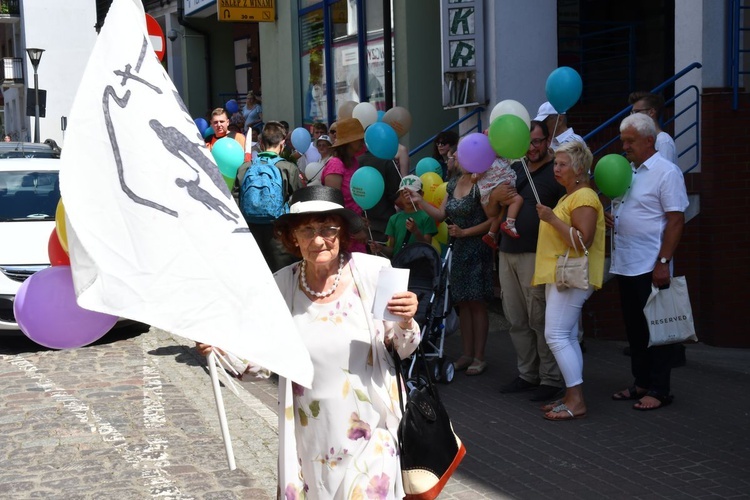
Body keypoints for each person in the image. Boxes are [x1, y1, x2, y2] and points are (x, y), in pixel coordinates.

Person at [196, 185, 420, 498]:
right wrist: (219, 349)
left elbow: (403, 346)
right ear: (293, 237)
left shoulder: (374, 272)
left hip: (373, 435)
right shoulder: (281, 285)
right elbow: (262, 362)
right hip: (310, 439)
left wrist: (407, 320)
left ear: (341, 231)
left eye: (328, 228)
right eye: (307, 230)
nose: (318, 240)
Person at [608, 112, 688, 411]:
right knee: (635, 329)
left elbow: (676, 220)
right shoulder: (629, 171)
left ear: (650, 141)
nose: (624, 146)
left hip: (651, 264)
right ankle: (641, 382)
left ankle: (659, 388)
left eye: (630, 141)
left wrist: (663, 261)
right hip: (626, 262)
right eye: (622, 140)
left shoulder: (666, 172)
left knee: (657, 330)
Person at [488, 120, 567, 402]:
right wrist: (494, 198)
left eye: (537, 142)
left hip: (538, 254)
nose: (532, 148)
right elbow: (491, 209)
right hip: (507, 251)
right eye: (528, 143)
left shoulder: (557, 172)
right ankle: (527, 374)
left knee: (539, 317)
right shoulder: (515, 169)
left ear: (547, 141)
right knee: (516, 318)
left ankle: (551, 378)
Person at [531, 141, 605, 420]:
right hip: (561, 275)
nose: (556, 169)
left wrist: (551, 218)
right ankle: (571, 395)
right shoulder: (570, 196)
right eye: (556, 164)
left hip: (571, 276)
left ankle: (576, 399)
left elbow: (583, 241)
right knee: (567, 335)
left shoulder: (583, 196)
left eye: (562, 164)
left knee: (556, 335)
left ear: (579, 169)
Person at [407, 153, 493, 376]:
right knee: (463, 302)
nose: (454, 159)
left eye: (459, 156)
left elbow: (492, 220)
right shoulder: (454, 183)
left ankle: (480, 356)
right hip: (459, 248)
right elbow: (441, 213)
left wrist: (465, 232)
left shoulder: (482, 183)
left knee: (477, 302)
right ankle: (466, 354)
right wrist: (420, 201)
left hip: (477, 247)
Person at [236, 121, 303, 272]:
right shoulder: (288, 168)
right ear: (283, 143)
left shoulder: (245, 168)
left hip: (251, 235)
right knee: (283, 280)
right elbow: (298, 201)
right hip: (280, 235)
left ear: (260, 142)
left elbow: (235, 200)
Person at [322, 117, 367, 252]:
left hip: (354, 232)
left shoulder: (354, 162)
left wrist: (360, 221)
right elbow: (332, 205)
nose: (362, 142)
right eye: (359, 138)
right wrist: (354, 228)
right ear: (349, 141)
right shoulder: (336, 164)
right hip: (343, 236)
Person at [370, 175, 437, 258]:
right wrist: (381, 249)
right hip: (399, 266)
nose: (408, 197)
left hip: (420, 266)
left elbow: (427, 247)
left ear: (421, 194)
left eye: (412, 193)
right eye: (404, 193)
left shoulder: (427, 217)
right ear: (400, 196)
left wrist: (416, 231)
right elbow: (392, 250)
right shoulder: (393, 219)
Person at [473, 157, 525, 249]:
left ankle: (491, 234)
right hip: (498, 189)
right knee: (518, 200)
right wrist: (475, 176)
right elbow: (475, 177)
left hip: (502, 188)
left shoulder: (504, 158)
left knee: (500, 214)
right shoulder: (486, 160)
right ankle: (509, 224)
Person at [357, 145, 402, 246]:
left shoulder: (355, 162)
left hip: (359, 227)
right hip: (383, 227)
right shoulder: (387, 162)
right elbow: (396, 196)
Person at [628, 91, 678, 164]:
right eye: (631, 113)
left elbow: (663, 172)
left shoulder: (663, 141)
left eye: (636, 112)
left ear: (651, 112)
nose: (633, 116)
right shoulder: (644, 141)